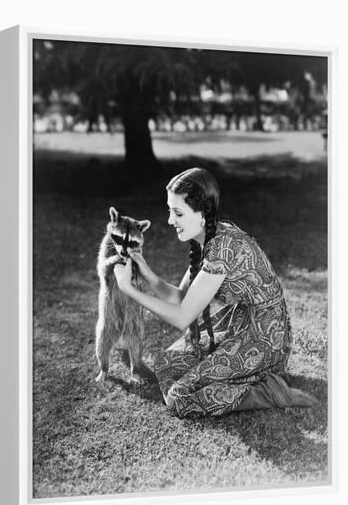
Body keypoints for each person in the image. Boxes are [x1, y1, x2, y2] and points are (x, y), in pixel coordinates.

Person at [113, 167, 318, 418]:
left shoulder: (223, 249)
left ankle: (267, 391)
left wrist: (127, 288)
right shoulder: (207, 236)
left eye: (177, 212)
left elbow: (182, 317)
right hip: (240, 326)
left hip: (265, 339)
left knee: (178, 398)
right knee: (164, 364)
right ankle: (238, 379)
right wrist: (146, 272)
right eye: (170, 210)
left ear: (202, 214)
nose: (169, 220)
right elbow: (181, 298)